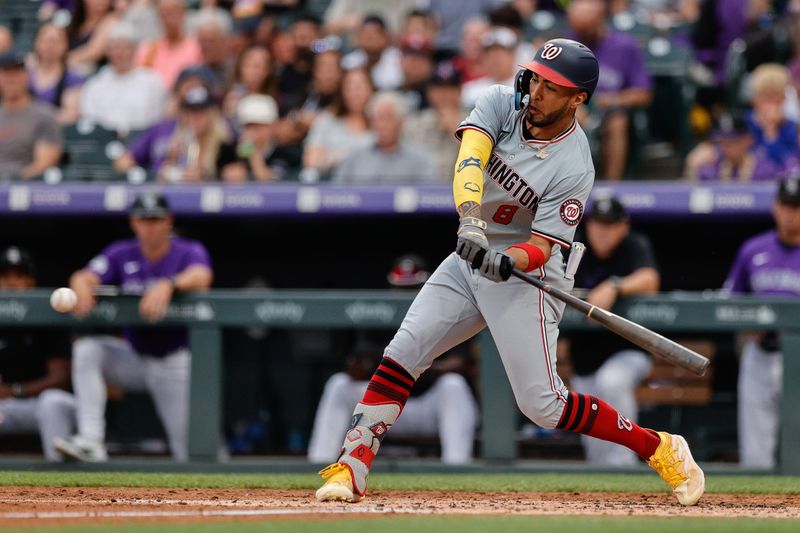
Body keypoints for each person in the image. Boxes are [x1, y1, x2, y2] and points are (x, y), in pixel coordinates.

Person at [315, 38, 704, 507]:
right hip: (470, 248)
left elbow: (542, 247)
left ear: (578, 98)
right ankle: (351, 468)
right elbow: (470, 160)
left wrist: (509, 259)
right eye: (537, 77)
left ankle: (658, 446)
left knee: (544, 406)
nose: (537, 91)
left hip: (528, 277)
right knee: (403, 351)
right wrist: (471, 221)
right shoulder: (502, 102)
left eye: (552, 86)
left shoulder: (575, 164)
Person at [54, 191, 213, 462]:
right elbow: (85, 274)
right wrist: (81, 284)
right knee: (88, 349)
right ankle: (90, 440)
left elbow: (202, 275)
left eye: (155, 219)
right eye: (143, 219)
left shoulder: (188, 250)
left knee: (191, 451)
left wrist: (168, 284)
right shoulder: (121, 252)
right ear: (133, 222)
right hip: (133, 356)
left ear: (168, 221)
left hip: (173, 360)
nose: (149, 225)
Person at [308, 255, 479, 465]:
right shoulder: (379, 314)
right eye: (401, 288)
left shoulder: (444, 313)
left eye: (413, 287)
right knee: (339, 384)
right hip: (381, 406)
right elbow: (359, 362)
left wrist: (414, 368)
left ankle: (457, 467)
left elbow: (459, 363)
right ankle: (319, 463)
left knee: (453, 386)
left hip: (426, 407)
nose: (406, 294)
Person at [568, 197, 660, 465]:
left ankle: (625, 460)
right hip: (583, 359)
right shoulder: (575, 248)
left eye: (610, 224)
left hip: (628, 351)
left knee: (612, 381)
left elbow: (650, 280)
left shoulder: (634, 246)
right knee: (596, 451)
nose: (602, 230)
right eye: (597, 223)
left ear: (623, 226)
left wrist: (615, 285)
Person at [724, 176, 800, 469]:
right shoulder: (753, 249)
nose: (791, 213)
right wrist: (747, 322)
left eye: (797, 206)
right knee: (755, 455)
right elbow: (729, 301)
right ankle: (759, 510)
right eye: (786, 205)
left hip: (796, 352)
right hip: (760, 353)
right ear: (775, 207)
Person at [0, 247, 74, 462]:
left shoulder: (48, 318)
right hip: (5, 407)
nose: (11, 283)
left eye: (19, 276)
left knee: (53, 403)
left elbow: (60, 378)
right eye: (4, 276)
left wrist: (16, 390)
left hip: (39, 404)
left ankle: (65, 481)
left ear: (30, 282)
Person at [566, 0, 653, 180]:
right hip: (574, 108)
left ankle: (613, 186)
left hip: (609, 110)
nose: (580, 34)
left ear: (599, 21)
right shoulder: (567, 44)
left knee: (617, 122)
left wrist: (610, 100)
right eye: (578, 29)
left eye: (585, 28)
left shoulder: (624, 46)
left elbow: (644, 94)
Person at [115, 86, 232, 182]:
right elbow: (164, 173)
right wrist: (171, 160)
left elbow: (233, 177)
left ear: (211, 114)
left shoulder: (223, 143)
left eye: (201, 112)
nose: (195, 117)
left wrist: (205, 176)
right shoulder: (177, 138)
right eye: (191, 112)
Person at [80, 21, 167, 135]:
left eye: (125, 48)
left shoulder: (152, 81)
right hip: (104, 142)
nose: (119, 53)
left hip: (141, 141)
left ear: (135, 49)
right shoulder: (95, 84)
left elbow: (157, 120)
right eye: (115, 48)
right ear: (108, 51)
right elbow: (89, 122)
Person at [332, 91, 437, 184]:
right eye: (377, 118)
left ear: (400, 122)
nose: (381, 125)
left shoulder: (420, 160)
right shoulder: (354, 157)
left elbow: (429, 197)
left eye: (387, 118)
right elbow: (338, 195)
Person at [301, 68, 374, 182]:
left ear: (371, 89)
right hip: (334, 187)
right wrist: (339, 158)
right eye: (349, 88)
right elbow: (311, 161)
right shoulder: (326, 121)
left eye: (359, 87)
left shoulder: (381, 123)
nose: (355, 93)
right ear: (342, 91)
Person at [0, 50, 63, 181]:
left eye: (16, 73)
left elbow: (44, 163)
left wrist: (10, 181)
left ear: (27, 76)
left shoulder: (43, 116)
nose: (11, 79)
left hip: (21, 188)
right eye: (6, 73)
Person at [135, 0, 202, 90]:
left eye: (173, 13)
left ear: (183, 14)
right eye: (164, 14)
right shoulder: (148, 49)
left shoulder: (197, 47)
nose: (169, 19)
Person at [218, 94, 287, 181]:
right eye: (248, 126)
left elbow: (269, 184)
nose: (252, 131)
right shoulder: (232, 149)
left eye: (258, 125)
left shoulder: (282, 153)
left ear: (271, 127)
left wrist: (254, 155)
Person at [28, 23, 85, 124]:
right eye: (45, 41)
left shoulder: (73, 78)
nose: (50, 46)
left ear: (65, 45)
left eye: (55, 41)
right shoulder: (24, 74)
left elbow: (70, 114)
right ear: (37, 43)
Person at [460, 27, 519, 109]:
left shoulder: (527, 88)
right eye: (489, 53)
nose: (494, 59)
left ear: (512, 55)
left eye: (499, 54)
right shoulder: (470, 90)